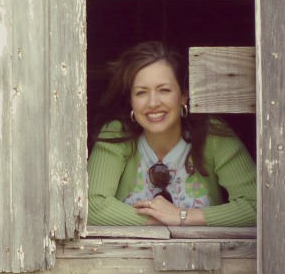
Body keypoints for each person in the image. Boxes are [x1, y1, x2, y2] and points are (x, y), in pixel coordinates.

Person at [87, 41, 256, 227]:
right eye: (141, 93)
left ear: (184, 95)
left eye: (164, 90)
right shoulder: (117, 133)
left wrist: (182, 217)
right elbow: (91, 205)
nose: (153, 103)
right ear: (131, 101)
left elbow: (257, 206)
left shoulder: (212, 134)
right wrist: (155, 220)